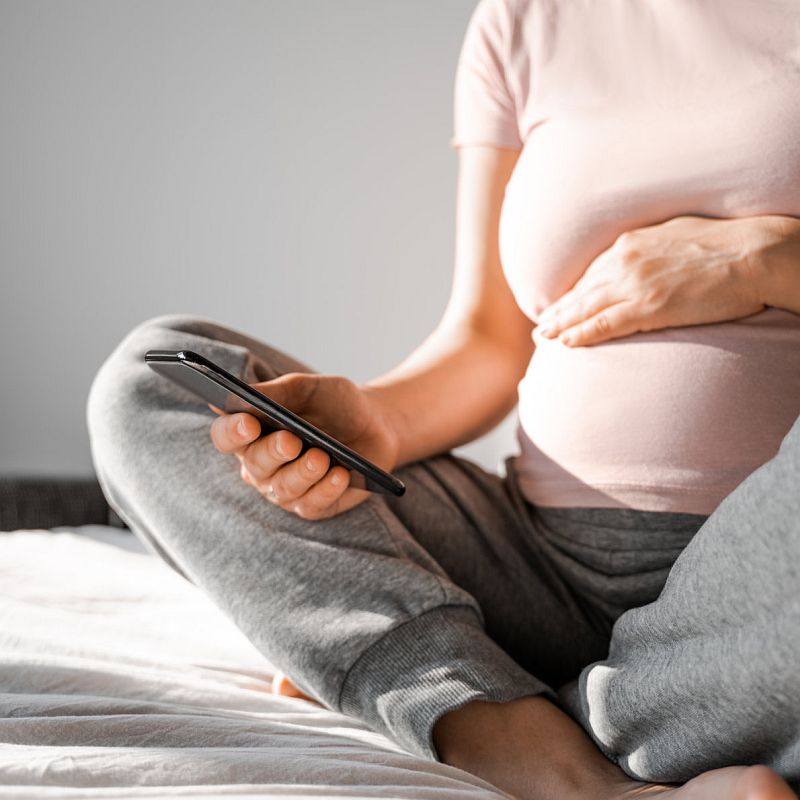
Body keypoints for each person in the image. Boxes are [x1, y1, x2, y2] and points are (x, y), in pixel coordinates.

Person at [87, 1, 800, 798]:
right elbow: (486, 342)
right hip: (539, 566)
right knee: (148, 388)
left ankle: (516, 695)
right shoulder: (526, 21)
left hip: (774, 563)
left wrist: (770, 261)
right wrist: (376, 420)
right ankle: (525, 744)